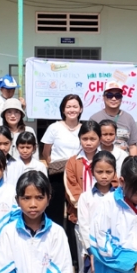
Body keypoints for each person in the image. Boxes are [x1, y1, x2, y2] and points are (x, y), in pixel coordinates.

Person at [41, 94, 83, 236]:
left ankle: (73, 253)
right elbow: (46, 153)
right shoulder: (54, 127)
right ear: (63, 110)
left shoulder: (85, 129)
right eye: (68, 106)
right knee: (54, 212)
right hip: (57, 176)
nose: (72, 109)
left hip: (77, 176)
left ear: (81, 109)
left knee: (75, 213)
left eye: (75, 106)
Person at [65, 120, 102, 272]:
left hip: (101, 214)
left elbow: (113, 183)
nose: (88, 143)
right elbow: (70, 186)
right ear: (79, 139)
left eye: (92, 139)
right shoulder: (73, 162)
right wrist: (83, 206)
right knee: (81, 256)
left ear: (99, 139)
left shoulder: (105, 159)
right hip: (79, 215)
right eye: (85, 139)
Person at [90, 81, 137, 156]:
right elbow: (90, 145)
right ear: (104, 98)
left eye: (117, 96)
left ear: (121, 98)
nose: (114, 99)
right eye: (110, 95)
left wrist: (133, 165)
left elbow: (132, 146)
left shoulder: (128, 118)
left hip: (123, 163)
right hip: (101, 163)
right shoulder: (94, 118)